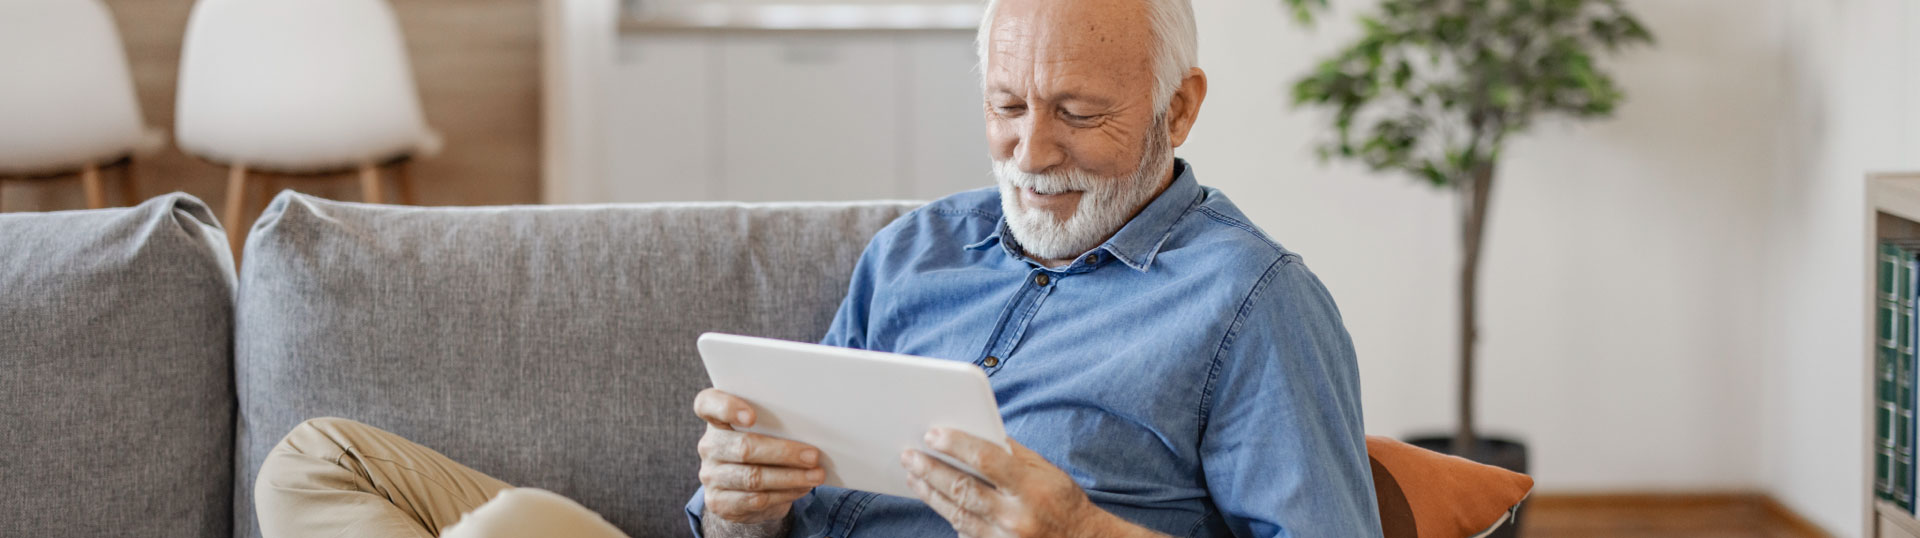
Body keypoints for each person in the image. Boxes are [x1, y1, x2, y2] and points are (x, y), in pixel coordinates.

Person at [254, 0, 1382, 536]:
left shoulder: (1251, 304)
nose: (1032, 154)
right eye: (1004, 107)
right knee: (316, 460)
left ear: (1180, 107)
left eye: (1081, 113)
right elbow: (747, 501)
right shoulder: (919, 251)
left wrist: (1084, 533)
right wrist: (739, 505)